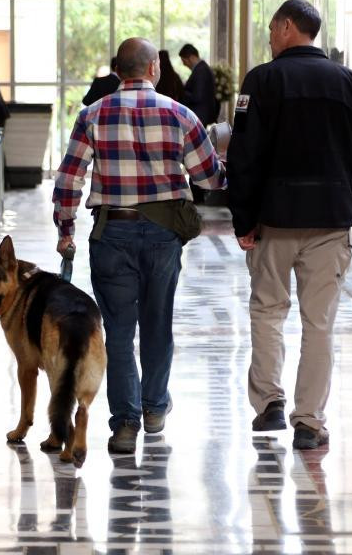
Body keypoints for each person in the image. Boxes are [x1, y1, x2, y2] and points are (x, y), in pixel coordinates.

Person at [226, 0, 352, 450]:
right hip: (332, 222)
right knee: (319, 323)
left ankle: (270, 406)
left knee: (267, 312)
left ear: (285, 27)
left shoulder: (261, 81)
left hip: (273, 221)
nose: (268, 37)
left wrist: (243, 219)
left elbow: (242, 156)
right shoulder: (348, 83)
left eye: (271, 29)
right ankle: (309, 422)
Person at [53, 37, 227, 455]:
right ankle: (153, 408)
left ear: (118, 71)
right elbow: (210, 180)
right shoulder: (179, 114)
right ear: (153, 70)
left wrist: (66, 227)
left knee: (117, 330)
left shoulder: (92, 115)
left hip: (111, 233)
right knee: (157, 322)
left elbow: (68, 178)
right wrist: (224, 156)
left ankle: (125, 424)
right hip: (162, 237)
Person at [179, 44, 218, 204]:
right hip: (202, 116)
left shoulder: (201, 71)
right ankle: (197, 192)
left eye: (184, 61)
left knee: (195, 157)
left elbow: (198, 96)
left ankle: (197, 193)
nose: (184, 65)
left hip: (199, 116)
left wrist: (182, 91)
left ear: (190, 57)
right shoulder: (202, 69)